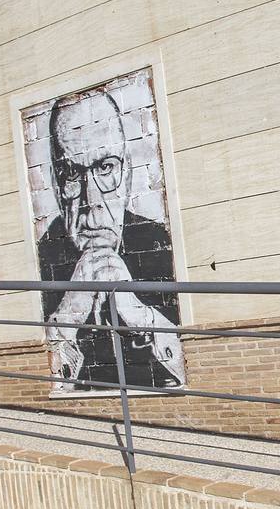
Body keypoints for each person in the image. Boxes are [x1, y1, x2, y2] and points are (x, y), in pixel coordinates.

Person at [36, 90, 185, 394]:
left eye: (105, 168)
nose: (92, 204)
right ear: (55, 181)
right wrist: (66, 319)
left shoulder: (157, 241)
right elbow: (46, 390)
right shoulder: (43, 257)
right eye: (71, 173)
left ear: (127, 173)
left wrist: (141, 317)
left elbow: (190, 376)